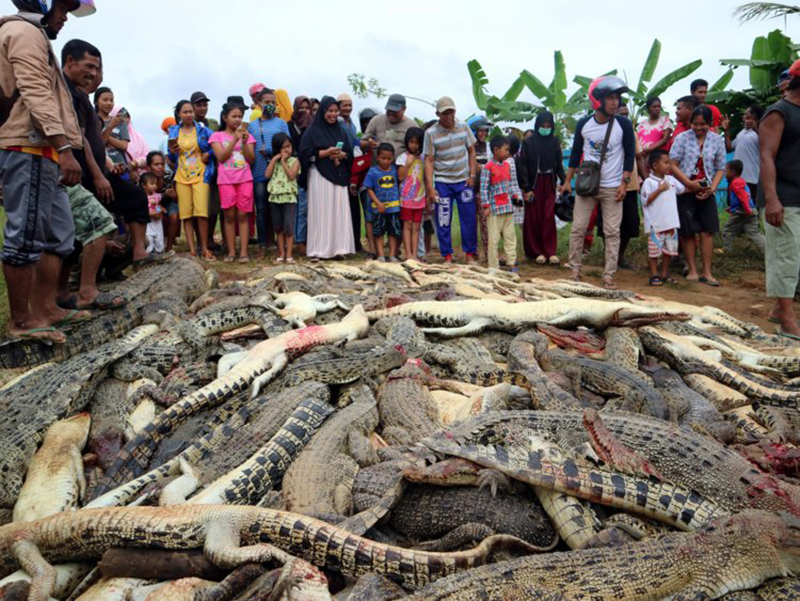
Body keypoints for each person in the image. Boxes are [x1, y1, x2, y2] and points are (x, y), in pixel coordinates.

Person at [0, 0, 94, 343]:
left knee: (58, 234)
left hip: (45, 150)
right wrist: (64, 148)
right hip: (29, 147)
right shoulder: (23, 32)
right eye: (63, 9)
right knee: (26, 233)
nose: (65, 17)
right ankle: (22, 321)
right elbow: (36, 93)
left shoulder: (33, 34)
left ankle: (47, 309)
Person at [58, 38, 123, 313]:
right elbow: (79, 138)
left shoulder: (76, 94)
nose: (93, 73)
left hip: (72, 172)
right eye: (89, 67)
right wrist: (66, 154)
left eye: (97, 68)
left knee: (65, 238)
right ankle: (86, 291)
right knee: (100, 224)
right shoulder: (63, 91)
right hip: (63, 171)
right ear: (70, 62)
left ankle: (61, 295)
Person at [562, 76, 635, 290]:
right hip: (587, 186)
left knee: (612, 232)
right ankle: (574, 270)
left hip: (613, 187)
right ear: (597, 100)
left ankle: (609, 275)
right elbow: (575, 155)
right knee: (578, 228)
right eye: (610, 98)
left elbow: (629, 155)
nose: (615, 102)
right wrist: (567, 181)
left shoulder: (623, 124)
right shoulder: (584, 124)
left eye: (617, 98)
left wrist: (624, 184)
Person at [759, 59, 800, 337]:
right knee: (786, 256)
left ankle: (778, 308)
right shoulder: (779, 112)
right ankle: (786, 318)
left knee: (795, 256)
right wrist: (772, 199)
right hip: (784, 197)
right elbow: (766, 156)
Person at [669, 105, 727, 286]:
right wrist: (688, 183)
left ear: (710, 123)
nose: (699, 127)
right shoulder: (682, 138)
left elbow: (720, 167)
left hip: (707, 191)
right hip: (686, 191)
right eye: (695, 123)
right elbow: (672, 165)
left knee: (707, 231)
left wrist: (713, 188)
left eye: (703, 124)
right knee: (687, 232)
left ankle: (707, 272)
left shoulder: (716, 140)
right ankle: (692, 270)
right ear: (690, 123)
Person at [299, 96, 354, 260]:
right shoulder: (312, 130)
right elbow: (304, 153)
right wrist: (325, 153)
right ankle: (319, 250)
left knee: (338, 211)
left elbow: (350, 153)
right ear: (323, 111)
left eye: (336, 111)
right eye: (330, 111)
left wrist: (342, 155)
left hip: (339, 174)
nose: (333, 114)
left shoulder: (341, 130)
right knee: (321, 212)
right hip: (319, 174)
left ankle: (339, 248)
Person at [424, 96, 478, 265]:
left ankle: (469, 255)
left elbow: (471, 150)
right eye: (444, 113)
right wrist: (430, 187)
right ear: (438, 114)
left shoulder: (463, 126)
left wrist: (472, 175)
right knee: (443, 219)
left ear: (455, 111)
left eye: (451, 112)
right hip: (443, 183)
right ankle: (447, 256)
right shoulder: (430, 133)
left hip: (463, 181)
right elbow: (429, 160)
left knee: (468, 218)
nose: (448, 116)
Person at [167, 99, 215, 260]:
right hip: (181, 175)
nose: (189, 115)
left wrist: (208, 154)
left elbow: (215, 144)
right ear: (179, 114)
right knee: (186, 214)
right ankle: (192, 250)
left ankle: (205, 248)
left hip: (201, 174)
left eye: (190, 111)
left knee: (201, 213)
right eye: (185, 112)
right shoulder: (174, 131)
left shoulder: (202, 129)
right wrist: (173, 151)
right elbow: (171, 156)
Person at [210, 103, 256, 263]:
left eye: (240, 116)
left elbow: (251, 159)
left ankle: (243, 252)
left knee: (243, 214)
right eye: (234, 116)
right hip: (226, 180)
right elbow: (221, 157)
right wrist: (234, 139)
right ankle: (231, 251)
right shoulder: (217, 136)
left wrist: (243, 141)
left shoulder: (248, 136)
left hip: (245, 178)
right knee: (229, 215)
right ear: (225, 118)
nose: (237, 119)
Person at [519, 111, 565, 265]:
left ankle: (550, 251)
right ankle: (536, 252)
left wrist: (564, 181)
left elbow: (559, 164)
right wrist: (526, 188)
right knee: (533, 217)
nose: (545, 128)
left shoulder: (555, 142)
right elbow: (523, 166)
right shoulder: (528, 143)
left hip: (549, 182)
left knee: (548, 216)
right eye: (543, 126)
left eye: (548, 126)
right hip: (534, 183)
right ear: (537, 125)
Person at [248, 87, 289, 256]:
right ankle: (262, 245)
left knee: (277, 209)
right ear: (259, 103)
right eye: (267, 102)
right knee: (261, 209)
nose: (270, 105)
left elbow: (288, 147)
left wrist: (272, 151)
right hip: (258, 172)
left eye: (273, 102)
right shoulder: (252, 126)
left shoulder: (281, 124)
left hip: (279, 173)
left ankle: (279, 243)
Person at [640, 150, 684, 286]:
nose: (669, 165)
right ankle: (654, 275)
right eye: (665, 163)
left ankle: (664, 274)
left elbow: (683, 189)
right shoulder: (649, 182)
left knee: (669, 251)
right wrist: (659, 189)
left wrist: (698, 187)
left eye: (669, 163)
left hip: (671, 223)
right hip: (656, 225)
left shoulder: (671, 179)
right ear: (655, 165)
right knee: (654, 252)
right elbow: (645, 200)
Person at [480, 135, 522, 271]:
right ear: (496, 150)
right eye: (506, 149)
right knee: (493, 239)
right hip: (494, 210)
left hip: (508, 208)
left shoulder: (507, 166)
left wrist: (515, 196)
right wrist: (486, 206)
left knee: (510, 237)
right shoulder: (488, 167)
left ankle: (511, 263)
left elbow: (510, 184)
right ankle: (494, 267)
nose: (508, 152)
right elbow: (483, 188)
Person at [364, 143, 402, 262]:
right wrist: (378, 203)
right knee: (378, 232)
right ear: (377, 157)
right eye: (383, 158)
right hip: (378, 208)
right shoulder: (373, 172)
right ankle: (380, 255)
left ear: (393, 158)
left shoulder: (395, 170)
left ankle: (392, 255)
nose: (386, 161)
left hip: (393, 208)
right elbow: (369, 189)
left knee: (393, 232)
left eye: (389, 158)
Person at [267, 132, 300, 264]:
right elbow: (267, 175)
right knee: (278, 226)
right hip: (275, 197)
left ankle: (289, 254)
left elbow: (292, 176)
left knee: (288, 225)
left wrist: (284, 162)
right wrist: (274, 160)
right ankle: (281, 254)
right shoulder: (274, 162)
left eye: (288, 146)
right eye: (283, 147)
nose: (287, 150)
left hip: (289, 197)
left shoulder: (294, 161)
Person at [721, 159, 764, 255]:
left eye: (726, 170)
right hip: (750, 209)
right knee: (754, 233)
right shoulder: (741, 181)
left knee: (728, 230)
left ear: (732, 172)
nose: (724, 172)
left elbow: (743, 197)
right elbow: (743, 198)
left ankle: (727, 250)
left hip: (742, 211)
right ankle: (768, 250)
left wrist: (747, 210)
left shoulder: (736, 183)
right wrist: (731, 208)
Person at [722, 105, 764, 201]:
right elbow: (729, 148)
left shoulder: (761, 131)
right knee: (733, 205)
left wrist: (756, 127)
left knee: (750, 207)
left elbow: (765, 144)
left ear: (754, 116)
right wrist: (726, 130)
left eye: (746, 114)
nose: (743, 116)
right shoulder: (741, 133)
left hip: (751, 179)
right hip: (735, 178)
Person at [397, 128, 426, 260]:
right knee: (407, 225)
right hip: (406, 198)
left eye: (417, 143)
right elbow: (400, 177)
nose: (414, 145)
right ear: (407, 142)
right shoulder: (402, 157)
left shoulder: (423, 158)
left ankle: (415, 254)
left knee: (416, 226)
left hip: (420, 197)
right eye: (411, 142)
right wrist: (408, 164)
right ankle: (408, 254)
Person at [288, 95, 312, 254]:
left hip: (312, 170)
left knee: (310, 208)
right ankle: (299, 241)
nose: (304, 111)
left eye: (307, 108)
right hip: (294, 171)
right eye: (301, 108)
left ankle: (310, 239)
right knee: (299, 209)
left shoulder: (313, 126)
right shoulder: (289, 126)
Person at [146, 151, 179, 251]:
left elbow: (175, 197)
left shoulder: (169, 175)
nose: (160, 167)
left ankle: (169, 248)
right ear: (149, 167)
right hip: (151, 204)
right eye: (156, 164)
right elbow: (144, 197)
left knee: (174, 215)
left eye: (162, 164)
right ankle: (151, 246)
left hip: (168, 203)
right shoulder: (145, 178)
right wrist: (164, 195)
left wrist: (173, 194)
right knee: (154, 214)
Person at [470, 116, 493, 261]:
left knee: (486, 224)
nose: (483, 133)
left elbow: (494, 166)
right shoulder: (468, 147)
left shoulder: (489, 147)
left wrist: (483, 168)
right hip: (470, 190)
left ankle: (489, 253)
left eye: (485, 130)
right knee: (471, 223)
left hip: (484, 192)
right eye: (480, 130)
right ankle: (472, 253)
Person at [94, 87, 129, 168]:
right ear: (96, 102)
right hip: (101, 167)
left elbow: (124, 146)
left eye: (111, 100)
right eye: (105, 100)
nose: (109, 103)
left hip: (121, 167)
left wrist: (103, 135)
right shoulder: (92, 121)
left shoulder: (120, 121)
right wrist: (110, 127)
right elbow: (99, 145)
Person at [637, 97, 673, 166]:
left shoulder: (665, 121)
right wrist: (640, 150)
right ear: (648, 108)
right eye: (654, 107)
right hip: (641, 156)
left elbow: (665, 139)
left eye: (659, 106)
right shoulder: (642, 123)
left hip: (656, 157)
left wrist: (650, 149)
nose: (657, 109)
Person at [141, 172, 164, 254]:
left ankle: (159, 252)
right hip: (148, 222)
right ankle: (149, 254)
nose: (154, 186)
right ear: (144, 185)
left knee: (159, 238)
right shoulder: (142, 197)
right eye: (152, 184)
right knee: (149, 238)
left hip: (157, 221)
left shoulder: (157, 196)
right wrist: (152, 213)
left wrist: (159, 210)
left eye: (155, 183)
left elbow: (158, 206)